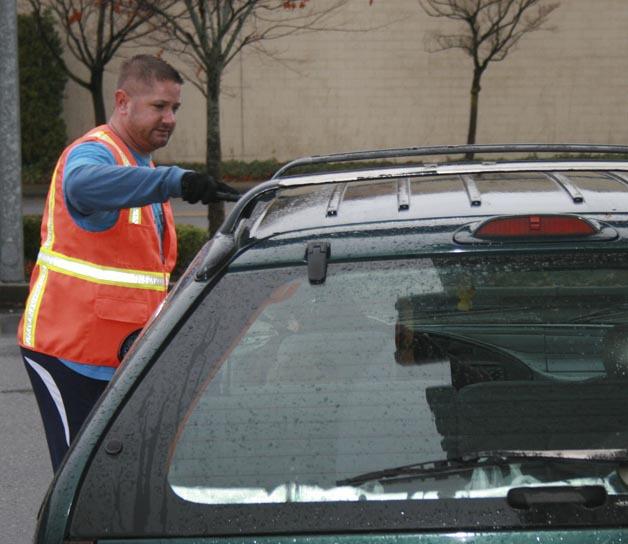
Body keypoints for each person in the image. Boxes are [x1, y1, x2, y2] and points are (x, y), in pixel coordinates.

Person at [16, 54, 239, 471]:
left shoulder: (139, 163)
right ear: (122, 101)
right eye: (158, 106)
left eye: (174, 108)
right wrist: (175, 180)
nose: (169, 118)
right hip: (70, 354)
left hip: (118, 359)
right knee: (78, 486)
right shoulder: (94, 154)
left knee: (116, 484)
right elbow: (82, 185)